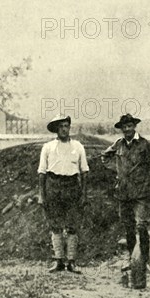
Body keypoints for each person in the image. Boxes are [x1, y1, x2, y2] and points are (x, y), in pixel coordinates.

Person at [101, 114, 150, 274]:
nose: (127, 129)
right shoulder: (118, 144)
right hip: (124, 192)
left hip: (141, 193)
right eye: (124, 127)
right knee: (128, 227)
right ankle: (132, 259)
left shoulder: (145, 145)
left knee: (141, 226)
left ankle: (146, 261)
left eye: (129, 126)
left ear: (134, 127)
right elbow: (105, 157)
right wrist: (117, 170)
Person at [37, 115, 89, 274]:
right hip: (53, 186)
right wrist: (42, 194)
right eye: (61, 127)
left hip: (72, 186)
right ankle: (59, 260)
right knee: (55, 225)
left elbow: (84, 172)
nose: (64, 129)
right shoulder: (48, 147)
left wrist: (84, 194)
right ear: (56, 129)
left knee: (73, 225)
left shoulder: (78, 146)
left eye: (66, 126)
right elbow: (42, 172)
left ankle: (71, 262)